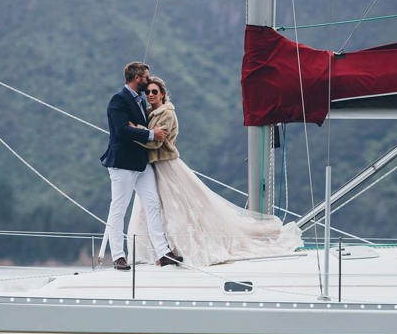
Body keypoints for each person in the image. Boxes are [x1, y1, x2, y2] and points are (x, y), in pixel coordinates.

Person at [128, 76, 301, 267]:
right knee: (157, 207)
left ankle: (179, 247)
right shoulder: (149, 113)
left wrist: (136, 130)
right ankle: (163, 250)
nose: (151, 95)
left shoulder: (167, 114)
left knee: (180, 206)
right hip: (154, 165)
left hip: (166, 165)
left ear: (162, 94)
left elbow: (157, 141)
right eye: (148, 92)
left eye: (155, 92)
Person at [100, 62, 184, 270]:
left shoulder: (140, 102)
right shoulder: (118, 100)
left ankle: (163, 252)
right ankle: (119, 256)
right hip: (122, 163)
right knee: (119, 208)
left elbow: (136, 126)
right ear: (137, 78)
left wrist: (142, 129)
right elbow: (120, 130)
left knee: (153, 204)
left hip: (141, 163)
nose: (148, 80)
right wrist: (150, 134)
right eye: (146, 77)